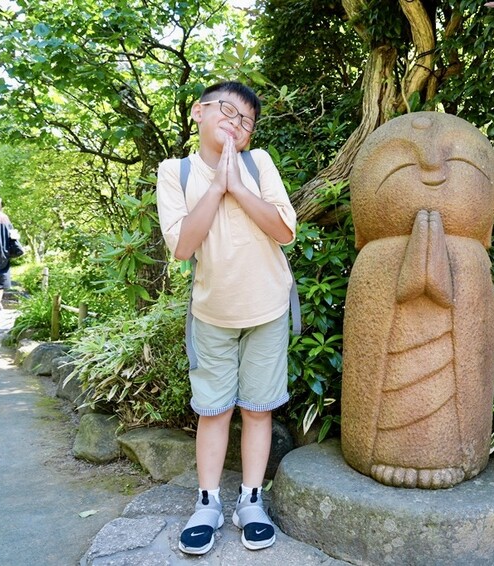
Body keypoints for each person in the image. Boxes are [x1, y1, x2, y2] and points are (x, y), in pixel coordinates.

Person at [156, 81, 296, 555]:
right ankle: (208, 503)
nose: (236, 124)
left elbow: (284, 231)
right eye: (228, 112)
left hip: (269, 307)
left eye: (246, 121)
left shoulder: (261, 165)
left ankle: (251, 502)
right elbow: (182, 247)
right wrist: (217, 186)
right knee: (213, 411)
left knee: (258, 409)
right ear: (198, 112)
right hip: (212, 312)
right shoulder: (175, 172)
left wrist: (238, 184)